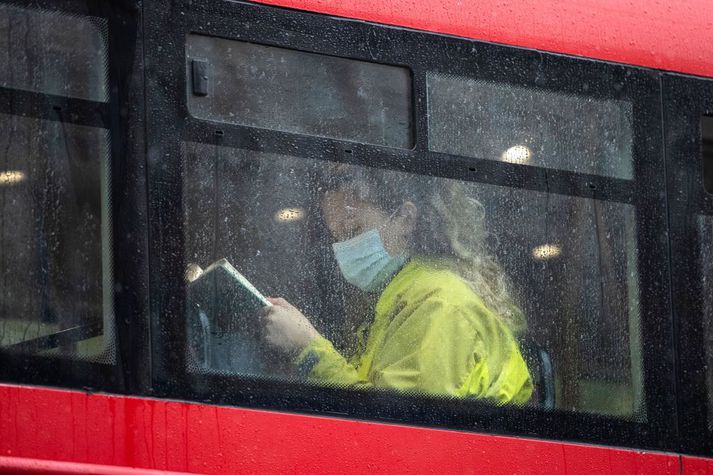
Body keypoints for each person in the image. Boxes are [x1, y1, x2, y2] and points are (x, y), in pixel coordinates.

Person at [262, 163, 532, 404]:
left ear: (405, 219)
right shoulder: (400, 300)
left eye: (353, 231)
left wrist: (307, 347)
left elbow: (397, 433)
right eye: (338, 237)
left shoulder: (438, 305)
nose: (344, 248)